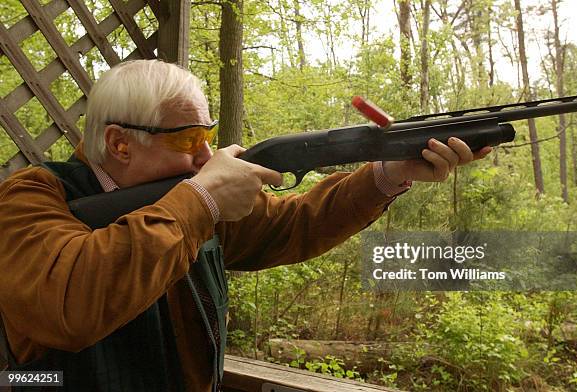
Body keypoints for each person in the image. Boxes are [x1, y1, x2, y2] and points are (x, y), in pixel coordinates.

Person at [0, 60, 491, 391]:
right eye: (189, 137)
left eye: (208, 134)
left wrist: (389, 174)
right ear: (121, 143)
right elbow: (67, 304)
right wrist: (201, 200)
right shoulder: (33, 197)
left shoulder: (187, 202)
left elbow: (296, 223)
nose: (206, 155)